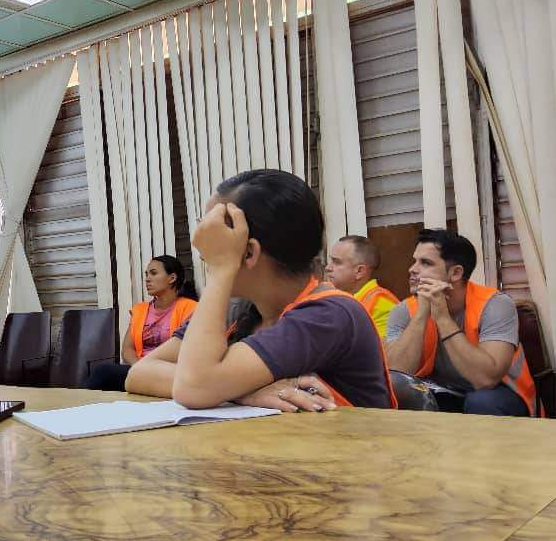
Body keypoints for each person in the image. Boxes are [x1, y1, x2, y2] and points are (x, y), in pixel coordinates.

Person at [125, 169, 396, 411]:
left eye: (213, 234)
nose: (202, 248)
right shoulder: (236, 308)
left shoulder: (329, 314)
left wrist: (221, 270)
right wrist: (243, 391)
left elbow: (193, 388)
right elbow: (140, 373)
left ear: (249, 251)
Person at [384, 229, 537, 416]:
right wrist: (423, 313)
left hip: (501, 395)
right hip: (443, 393)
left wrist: (442, 317)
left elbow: (485, 379)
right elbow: (396, 376)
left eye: (425, 263)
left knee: (482, 401)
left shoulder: (495, 304)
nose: (412, 269)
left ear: (455, 273)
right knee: (405, 396)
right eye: (414, 261)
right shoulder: (403, 310)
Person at [84, 256, 197, 391]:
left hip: (170, 371)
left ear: (172, 278)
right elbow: (127, 349)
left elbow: (188, 350)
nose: (147, 279)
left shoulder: (191, 309)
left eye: (153, 273)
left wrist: (150, 368)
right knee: (103, 373)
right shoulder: (140, 310)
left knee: (104, 371)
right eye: (146, 274)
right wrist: (139, 366)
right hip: (139, 369)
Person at [324, 235, 400, 338]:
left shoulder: (382, 306)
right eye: (330, 261)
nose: (328, 268)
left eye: (337, 262)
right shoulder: (334, 298)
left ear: (359, 271)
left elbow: (384, 352)